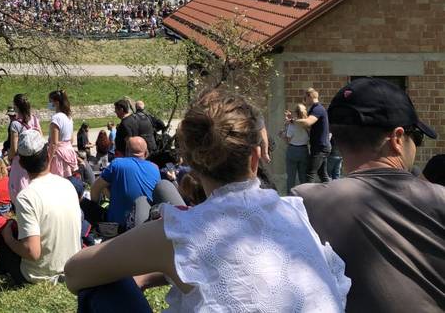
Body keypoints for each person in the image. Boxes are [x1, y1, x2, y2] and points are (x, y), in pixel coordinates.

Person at [65, 89, 350, 312]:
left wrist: (155, 257)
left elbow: (75, 273)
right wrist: (162, 270)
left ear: (192, 167)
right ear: (254, 158)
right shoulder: (294, 211)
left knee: (101, 288)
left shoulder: (180, 231)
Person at [294, 77, 445, 312]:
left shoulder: (302, 205)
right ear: (396, 139)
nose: (416, 145)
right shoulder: (440, 200)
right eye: (417, 137)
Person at [0, 131, 81, 285]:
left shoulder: (26, 197)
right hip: (72, 265)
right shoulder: (67, 184)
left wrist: (7, 237)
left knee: (3, 237)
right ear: (48, 156)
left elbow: (32, 252)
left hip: (42, 275)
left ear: (22, 164)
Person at [81, 136, 160, 232]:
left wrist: (95, 205)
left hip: (118, 226)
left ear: (126, 151)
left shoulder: (117, 164)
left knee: (85, 204)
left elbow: (95, 189)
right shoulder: (155, 168)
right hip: (146, 226)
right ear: (146, 153)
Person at [290, 88, 331, 183]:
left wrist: (293, 121)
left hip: (321, 147)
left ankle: (306, 197)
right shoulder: (314, 109)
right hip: (320, 146)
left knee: (310, 173)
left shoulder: (317, 109)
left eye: (305, 98)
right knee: (323, 175)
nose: (304, 100)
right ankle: (333, 195)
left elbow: (308, 122)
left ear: (310, 96)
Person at [7, 94, 40, 203]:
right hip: (34, 160)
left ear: (16, 106)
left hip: (20, 162)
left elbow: (14, 148)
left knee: (20, 191)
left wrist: (9, 157)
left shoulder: (15, 124)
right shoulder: (34, 119)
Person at [47, 90, 78, 178]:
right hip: (68, 152)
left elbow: (54, 143)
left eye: (50, 101)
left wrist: (48, 162)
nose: (49, 104)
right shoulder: (69, 117)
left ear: (56, 103)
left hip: (58, 156)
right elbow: (71, 139)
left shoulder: (56, 118)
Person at [281, 103, 310, 191]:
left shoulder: (292, 124)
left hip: (293, 150)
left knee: (291, 177)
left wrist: (282, 135)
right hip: (304, 150)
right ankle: (305, 197)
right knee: (303, 177)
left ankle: (290, 196)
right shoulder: (308, 124)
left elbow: (287, 140)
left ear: (296, 112)